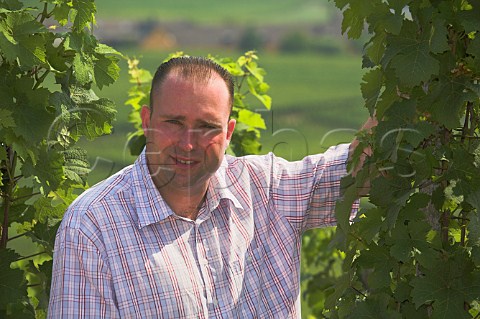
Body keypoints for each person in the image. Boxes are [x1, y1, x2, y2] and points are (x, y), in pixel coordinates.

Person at [48, 56, 372, 318]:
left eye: (206, 127)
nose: (188, 144)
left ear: (229, 132)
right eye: (174, 123)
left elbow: (364, 169)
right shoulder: (92, 226)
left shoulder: (265, 189)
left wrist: (413, 87)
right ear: (147, 121)